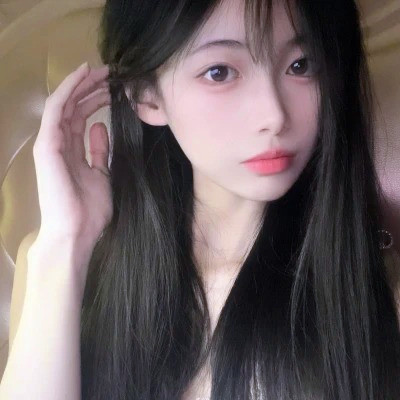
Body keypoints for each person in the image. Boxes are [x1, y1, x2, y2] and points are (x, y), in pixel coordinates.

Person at [1, 0, 400, 399]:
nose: (274, 115)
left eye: (301, 65)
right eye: (220, 72)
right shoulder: (54, 265)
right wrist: (66, 241)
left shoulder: (379, 298)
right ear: (147, 95)